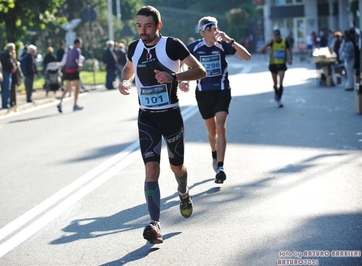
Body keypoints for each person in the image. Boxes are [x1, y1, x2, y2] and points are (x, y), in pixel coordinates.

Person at [118, 5, 206, 244]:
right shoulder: (134, 47)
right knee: (151, 170)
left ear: (158, 25)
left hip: (170, 116)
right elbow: (128, 69)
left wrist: (174, 77)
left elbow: (201, 70)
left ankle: (183, 193)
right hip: (146, 117)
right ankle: (155, 224)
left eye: (147, 26)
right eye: (138, 26)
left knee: (177, 167)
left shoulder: (172, 45)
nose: (142, 31)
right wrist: (124, 82)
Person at [185, 16, 251, 184]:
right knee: (212, 131)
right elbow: (181, 60)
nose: (214, 31)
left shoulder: (223, 45)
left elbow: (247, 56)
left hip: (222, 90)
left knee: (221, 126)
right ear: (202, 32)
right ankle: (214, 154)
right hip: (203, 93)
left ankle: (220, 167)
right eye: (210, 29)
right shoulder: (195, 47)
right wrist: (183, 79)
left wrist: (229, 39)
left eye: (215, 27)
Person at [258, 29, 292, 108]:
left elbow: (289, 50)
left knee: (281, 82)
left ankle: (279, 99)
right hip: (273, 64)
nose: (276, 37)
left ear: (280, 35)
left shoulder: (284, 41)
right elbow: (262, 49)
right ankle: (276, 93)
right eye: (275, 35)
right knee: (275, 83)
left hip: (281, 64)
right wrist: (269, 42)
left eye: (277, 35)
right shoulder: (272, 42)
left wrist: (290, 59)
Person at [57, 38, 83, 112]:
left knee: (68, 88)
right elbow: (74, 59)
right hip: (74, 71)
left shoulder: (69, 51)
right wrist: (79, 64)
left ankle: (60, 102)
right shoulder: (77, 50)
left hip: (67, 71)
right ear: (78, 43)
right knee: (77, 88)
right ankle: (75, 105)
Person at [0, 43, 17, 109]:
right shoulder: (8, 54)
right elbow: (9, 62)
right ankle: (6, 104)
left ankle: (3, 103)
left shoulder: (1, 54)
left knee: (3, 88)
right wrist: (13, 67)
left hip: (1, 72)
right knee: (7, 88)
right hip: (7, 72)